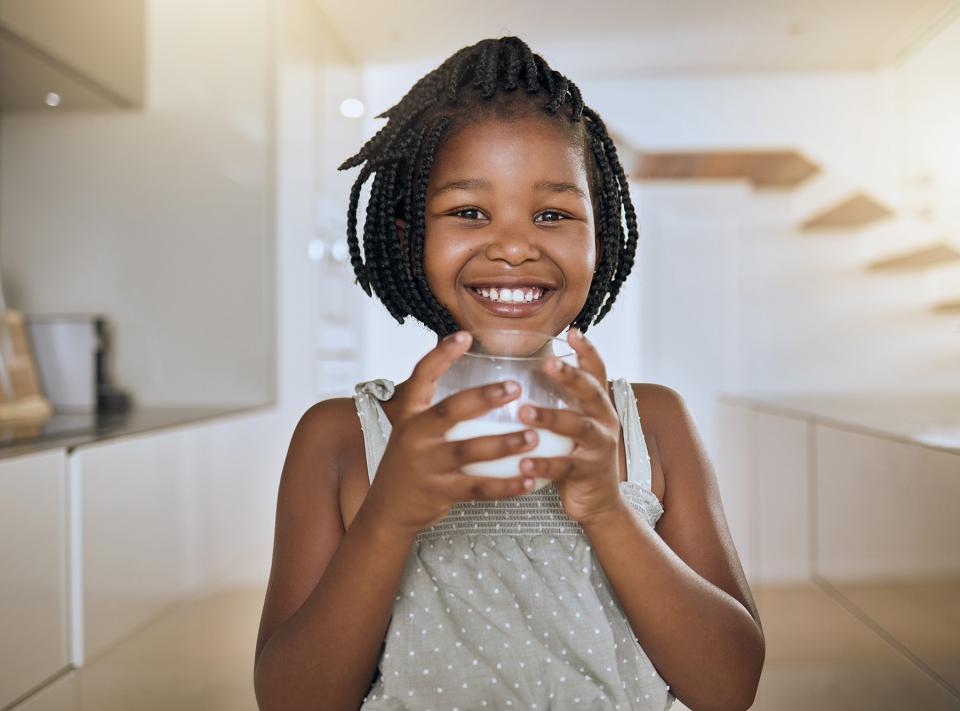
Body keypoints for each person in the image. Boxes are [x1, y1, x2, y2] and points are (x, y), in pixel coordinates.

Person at [253, 36, 764, 711]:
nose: (517, 245)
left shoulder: (652, 424)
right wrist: (388, 515)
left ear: (600, 236)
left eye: (553, 214)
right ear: (409, 236)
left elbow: (729, 687)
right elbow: (293, 699)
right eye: (469, 212)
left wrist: (608, 511)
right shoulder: (341, 439)